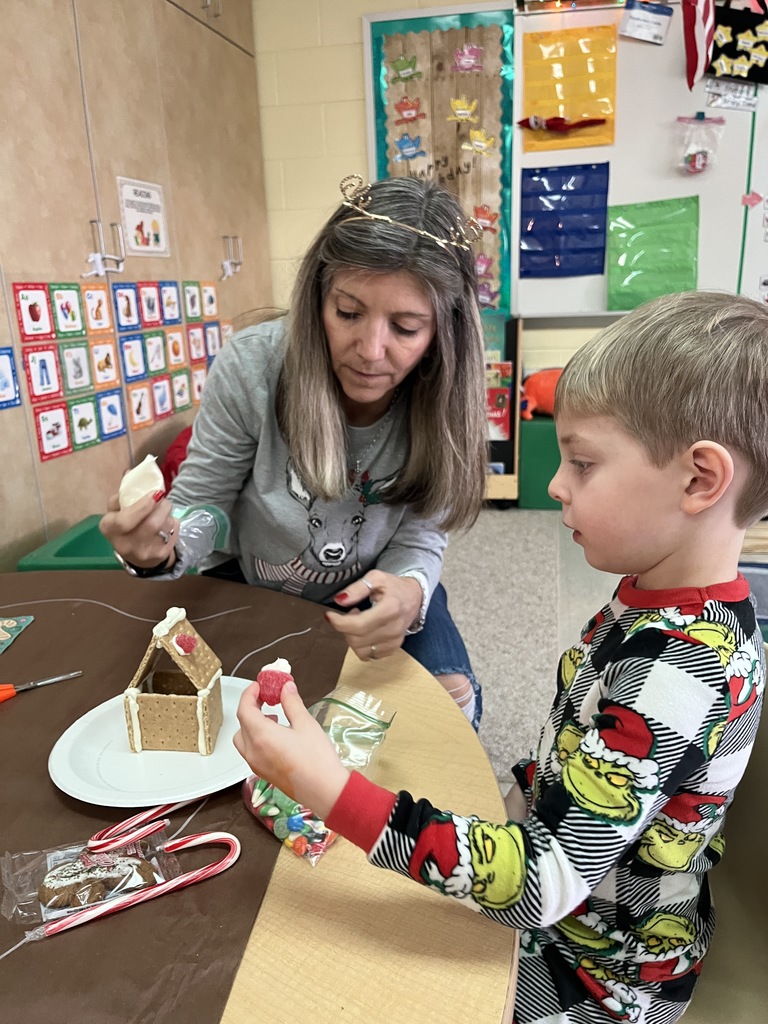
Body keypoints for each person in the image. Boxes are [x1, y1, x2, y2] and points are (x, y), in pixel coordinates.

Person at [232, 290, 767, 1024]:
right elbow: (571, 773)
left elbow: (541, 884)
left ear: (700, 480)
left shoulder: (677, 671)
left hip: (596, 984)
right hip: (565, 914)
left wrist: (327, 789)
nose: (555, 483)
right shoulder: (656, 595)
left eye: (582, 463)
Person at [99, 174, 489, 728]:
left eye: (405, 327)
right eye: (348, 313)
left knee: (449, 708)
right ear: (318, 298)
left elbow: (421, 535)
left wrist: (408, 590)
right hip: (250, 580)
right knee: (218, 716)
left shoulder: (446, 395)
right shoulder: (254, 365)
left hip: (373, 585)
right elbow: (203, 507)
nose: (371, 351)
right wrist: (161, 547)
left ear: (442, 335)